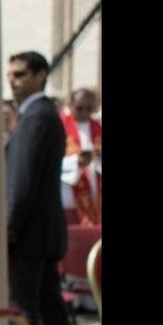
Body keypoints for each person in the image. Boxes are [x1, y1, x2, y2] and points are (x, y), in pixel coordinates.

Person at [5, 51, 70, 325]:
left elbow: (22, 182)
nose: (13, 81)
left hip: (30, 234)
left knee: (23, 310)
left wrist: (8, 229)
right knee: (48, 303)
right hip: (41, 231)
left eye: (20, 75)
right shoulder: (38, 115)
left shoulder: (36, 117)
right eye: (10, 75)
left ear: (41, 75)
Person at [60, 86, 101, 226]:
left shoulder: (98, 127)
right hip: (68, 194)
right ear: (70, 104)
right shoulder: (59, 126)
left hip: (94, 190)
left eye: (89, 109)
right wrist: (77, 162)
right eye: (79, 108)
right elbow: (51, 160)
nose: (84, 113)